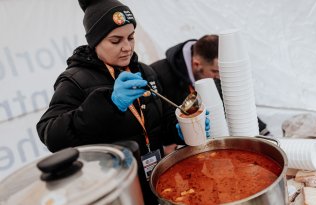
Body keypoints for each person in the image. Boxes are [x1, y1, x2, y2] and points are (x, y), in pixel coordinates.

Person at [36, 0, 205, 204]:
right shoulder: (75, 80)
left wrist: (178, 128)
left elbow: (160, 121)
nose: (127, 48)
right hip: (114, 189)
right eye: (116, 41)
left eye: (131, 38)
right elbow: (51, 134)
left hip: (157, 180)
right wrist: (109, 103)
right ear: (95, 41)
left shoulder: (144, 71)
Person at [150, 35, 271, 136]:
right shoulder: (157, 74)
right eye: (215, 71)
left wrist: (264, 132)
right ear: (197, 64)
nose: (219, 77)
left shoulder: (217, 73)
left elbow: (236, 104)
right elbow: (158, 123)